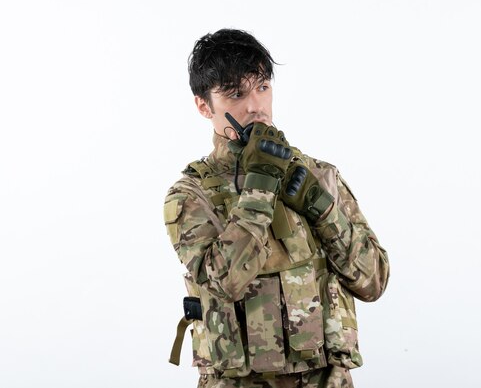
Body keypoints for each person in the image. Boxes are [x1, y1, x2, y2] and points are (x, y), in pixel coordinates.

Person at [164, 28, 390, 388]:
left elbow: (374, 281)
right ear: (204, 105)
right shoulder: (191, 195)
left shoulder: (319, 176)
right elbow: (225, 283)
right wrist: (259, 188)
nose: (255, 105)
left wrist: (320, 207)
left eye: (262, 87)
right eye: (236, 93)